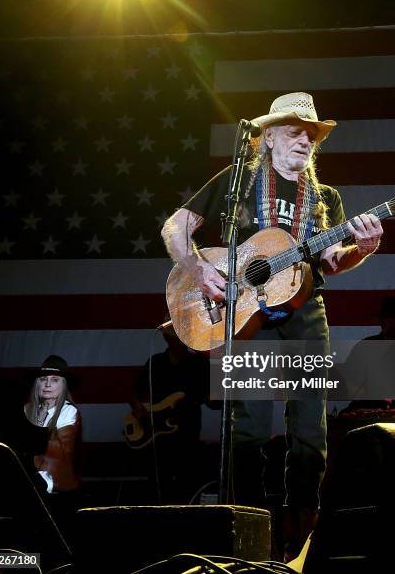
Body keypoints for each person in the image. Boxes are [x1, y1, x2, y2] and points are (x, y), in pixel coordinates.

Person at [161, 92, 383, 559]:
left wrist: (361, 249)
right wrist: (200, 269)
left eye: (311, 134)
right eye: (295, 130)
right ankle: (245, 540)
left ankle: (302, 540)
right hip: (246, 314)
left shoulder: (326, 199)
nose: (305, 139)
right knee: (249, 430)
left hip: (305, 311)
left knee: (310, 432)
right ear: (267, 137)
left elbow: (331, 260)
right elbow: (175, 227)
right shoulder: (239, 182)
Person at [128, 322, 214, 504]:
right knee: (158, 483)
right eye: (175, 336)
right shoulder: (156, 362)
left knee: (187, 483)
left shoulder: (199, 363)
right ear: (166, 338)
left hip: (188, 434)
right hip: (156, 435)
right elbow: (135, 393)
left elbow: (212, 401)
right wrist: (137, 407)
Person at [24, 354, 82, 544]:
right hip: (29, 489)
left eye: (54, 380)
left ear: (63, 385)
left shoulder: (69, 411)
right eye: (43, 379)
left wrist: (29, 443)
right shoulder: (26, 410)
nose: (47, 384)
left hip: (56, 493)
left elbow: (60, 454)